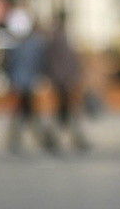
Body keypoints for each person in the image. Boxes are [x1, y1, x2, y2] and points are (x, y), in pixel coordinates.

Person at [40, 10, 94, 151]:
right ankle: (66, 139)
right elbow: (62, 61)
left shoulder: (58, 36)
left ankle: (59, 139)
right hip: (63, 81)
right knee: (68, 111)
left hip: (62, 80)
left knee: (66, 112)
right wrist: (71, 77)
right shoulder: (60, 37)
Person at [1, 8, 48, 153]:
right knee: (26, 112)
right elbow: (39, 62)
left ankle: (19, 140)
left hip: (19, 82)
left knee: (23, 113)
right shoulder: (34, 43)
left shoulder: (17, 44)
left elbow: (9, 64)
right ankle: (44, 140)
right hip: (27, 82)